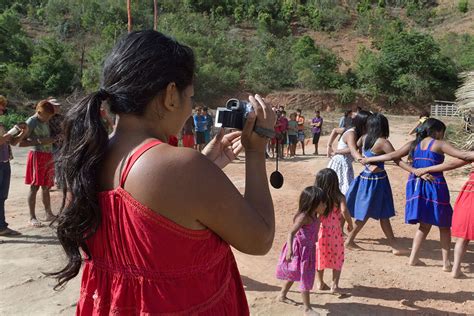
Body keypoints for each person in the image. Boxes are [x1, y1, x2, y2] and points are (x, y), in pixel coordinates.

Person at [49, 30, 276, 315]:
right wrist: (255, 151)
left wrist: (205, 168)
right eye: (189, 96)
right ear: (170, 95)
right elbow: (260, 239)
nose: (190, 108)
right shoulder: (184, 168)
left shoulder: (87, 158)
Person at [361, 118, 469, 271]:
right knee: (444, 225)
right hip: (435, 184)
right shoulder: (439, 144)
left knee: (424, 225)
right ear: (437, 131)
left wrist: (369, 159)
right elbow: (462, 155)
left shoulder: (414, 144)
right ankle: (446, 263)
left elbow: (393, 156)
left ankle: (413, 258)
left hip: (417, 185)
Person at [344, 112, 408, 255]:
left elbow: (354, 149)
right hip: (378, 181)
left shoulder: (364, 138)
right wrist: (413, 170)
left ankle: (394, 245)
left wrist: (340, 152)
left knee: (383, 213)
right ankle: (349, 240)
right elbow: (397, 159)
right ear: (383, 126)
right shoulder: (383, 142)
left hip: (366, 178)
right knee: (368, 212)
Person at [414, 151, 474, 278]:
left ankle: (456, 269)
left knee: (464, 235)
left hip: (471, 194)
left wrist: (425, 169)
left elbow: (453, 163)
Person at [276, 186, 327, 316]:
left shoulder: (316, 216)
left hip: (308, 251)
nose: (325, 205)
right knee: (305, 277)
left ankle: (282, 295)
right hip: (299, 252)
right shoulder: (304, 217)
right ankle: (307, 308)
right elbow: (291, 233)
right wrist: (290, 251)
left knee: (294, 274)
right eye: (322, 203)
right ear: (313, 203)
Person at [314, 168, 352, 294]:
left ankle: (320, 282)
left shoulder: (317, 197)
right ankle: (334, 285)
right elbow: (344, 211)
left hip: (320, 232)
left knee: (320, 256)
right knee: (337, 257)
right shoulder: (339, 196)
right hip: (335, 233)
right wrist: (350, 224)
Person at [20, 100, 57, 227]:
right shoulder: (31, 121)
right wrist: (41, 141)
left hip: (48, 155)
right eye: (47, 115)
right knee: (34, 187)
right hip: (37, 156)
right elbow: (21, 142)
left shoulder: (44, 120)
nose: (48, 118)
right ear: (39, 112)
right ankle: (32, 217)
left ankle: (48, 213)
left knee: (46, 186)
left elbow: (46, 137)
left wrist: (54, 139)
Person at [0, 95, 28, 236]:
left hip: (4, 163)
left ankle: (2, 227)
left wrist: (23, 133)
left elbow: (12, 142)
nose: (3, 109)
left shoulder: (1, 125)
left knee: (2, 196)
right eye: (1, 106)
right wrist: (15, 129)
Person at [47, 97, 63, 188]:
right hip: (48, 144)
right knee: (50, 163)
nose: (57, 108)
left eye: (58, 106)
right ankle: (49, 183)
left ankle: (59, 181)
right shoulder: (45, 118)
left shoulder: (61, 118)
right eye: (55, 106)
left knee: (59, 162)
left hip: (60, 143)